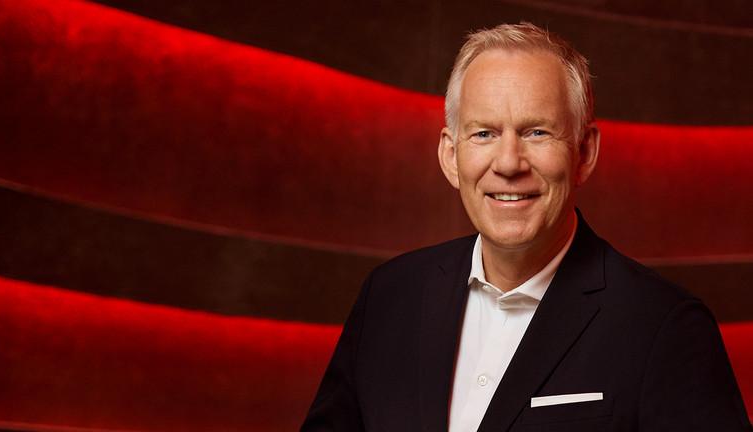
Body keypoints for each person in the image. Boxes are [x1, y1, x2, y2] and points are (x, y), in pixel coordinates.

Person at [300, 22, 751, 431]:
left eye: (537, 132)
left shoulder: (665, 326)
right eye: (484, 133)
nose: (509, 163)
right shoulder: (388, 296)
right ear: (450, 156)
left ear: (584, 153)